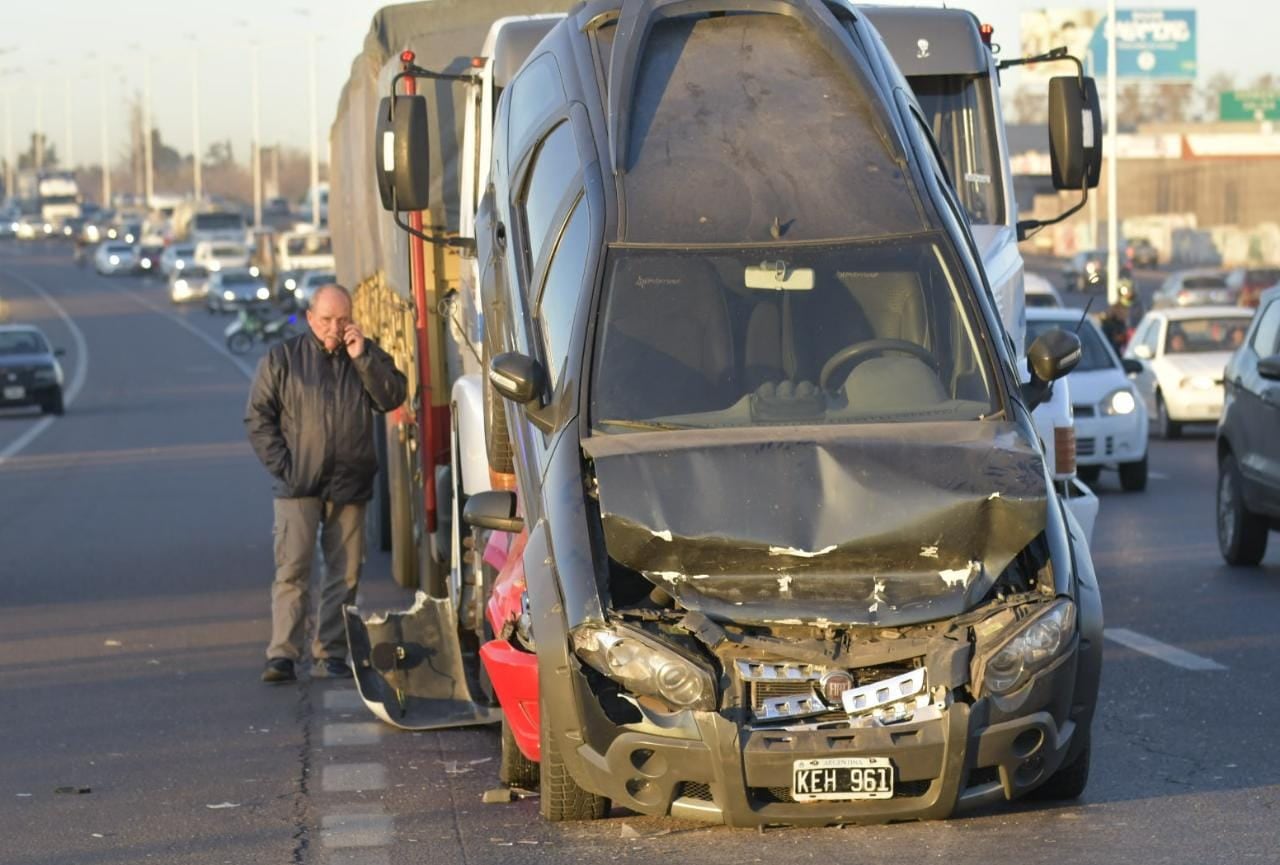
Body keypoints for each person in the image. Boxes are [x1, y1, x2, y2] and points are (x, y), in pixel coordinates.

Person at [245, 283, 407, 684]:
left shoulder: (365, 355)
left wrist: (363, 358)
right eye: (328, 320)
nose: (336, 327)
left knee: (345, 572)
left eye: (343, 319)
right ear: (311, 318)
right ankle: (282, 654)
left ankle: (331, 651)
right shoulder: (283, 358)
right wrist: (286, 467)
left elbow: (392, 397)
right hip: (298, 485)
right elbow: (258, 418)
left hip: (350, 482)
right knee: (293, 568)